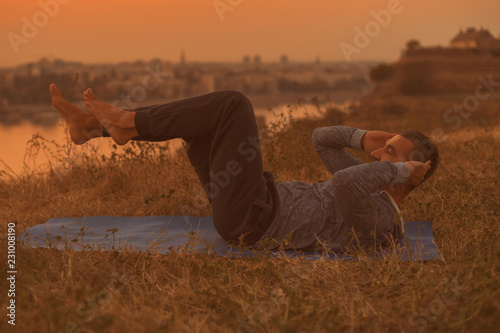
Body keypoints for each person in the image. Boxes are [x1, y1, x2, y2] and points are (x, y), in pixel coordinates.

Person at [49, 84, 438, 252]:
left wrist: (400, 171)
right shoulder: (368, 187)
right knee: (202, 124)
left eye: (389, 152)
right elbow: (321, 138)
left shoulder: (383, 221)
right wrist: (363, 136)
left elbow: (342, 184)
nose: (377, 157)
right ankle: (95, 128)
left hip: (253, 219)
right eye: (383, 150)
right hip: (247, 202)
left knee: (234, 104)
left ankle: (125, 123)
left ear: (414, 170)